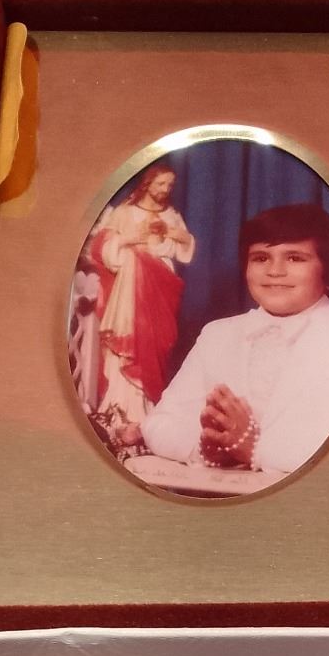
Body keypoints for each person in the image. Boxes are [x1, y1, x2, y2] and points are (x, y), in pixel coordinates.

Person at [140, 202, 329, 476]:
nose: (274, 271)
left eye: (295, 258)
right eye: (260, 258)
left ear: (328, 269)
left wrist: (255, 449)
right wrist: (206, 448)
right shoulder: (218, 334)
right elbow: (159, 423)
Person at [85, 163, 196, 448]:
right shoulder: (124, 213)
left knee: (157, 341)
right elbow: (104, 249)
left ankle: (147, 409)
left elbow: (184, 249)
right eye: (161, 184)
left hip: (160, 285)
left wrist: (169, 233)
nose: (165, 190)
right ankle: (119, 409)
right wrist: (131, 240)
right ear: (147, 184)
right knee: (130, 342)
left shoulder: (172, 215)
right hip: (130, 289)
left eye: (170, 185)